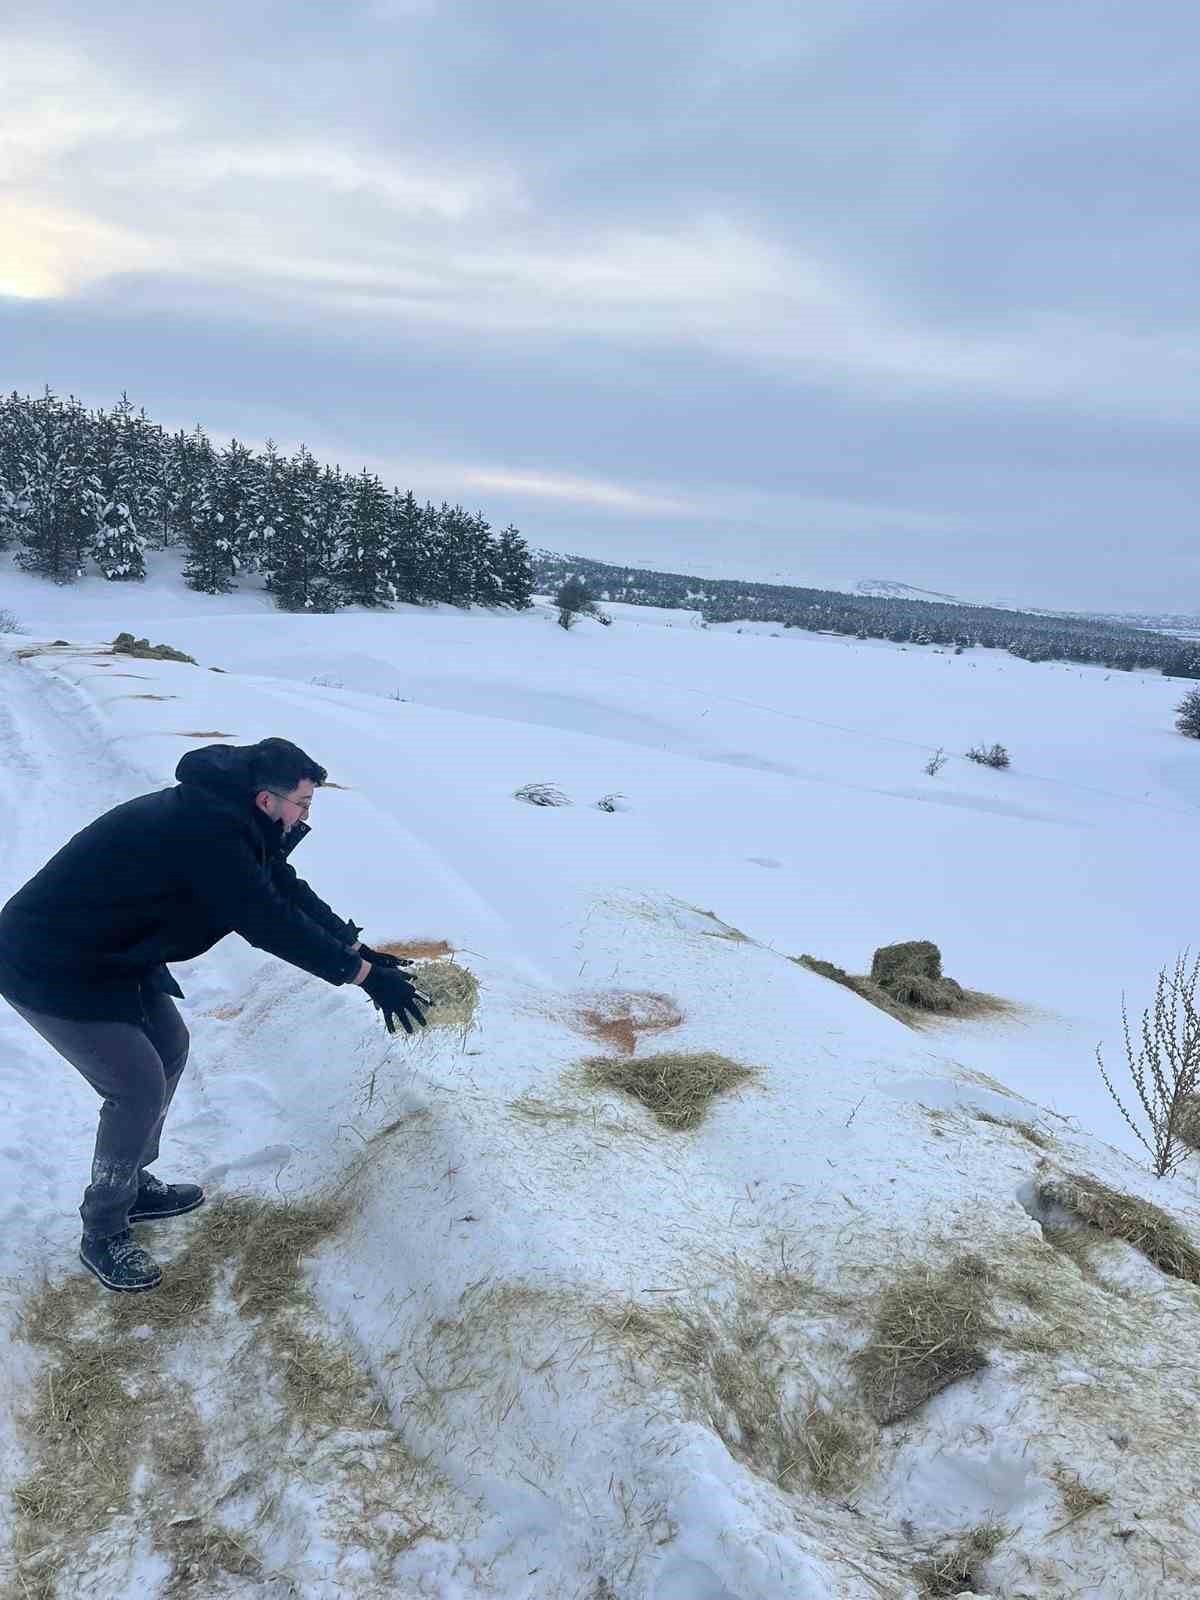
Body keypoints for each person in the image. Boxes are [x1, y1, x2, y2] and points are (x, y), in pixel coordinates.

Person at [0, 737, 430, 1294]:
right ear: (265, 799)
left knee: (171, 1048)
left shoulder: (235, 819)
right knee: (135, 1083)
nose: (306, 816)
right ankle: (104, 1227)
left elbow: (282, 889)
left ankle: (130, 1181)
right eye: (301, 804)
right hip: (46, 960)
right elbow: (266, 920)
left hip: (115, 950)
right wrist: (362, 980)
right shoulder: (206, 831)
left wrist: (356, 950)